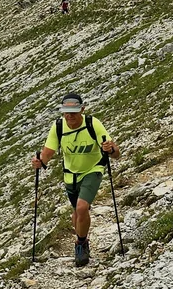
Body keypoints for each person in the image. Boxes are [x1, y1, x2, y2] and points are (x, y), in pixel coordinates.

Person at [31, 92, 118, 267]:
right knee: (77, 213)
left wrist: (110, 149)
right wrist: (40, 162)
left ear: (82, 110)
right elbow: (48, 152)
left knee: (82, 206)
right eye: (66, 112)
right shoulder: (58, 127)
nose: (69, 116)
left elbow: (116, 153)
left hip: (93, 169)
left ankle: (80, 244)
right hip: (70, 175)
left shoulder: (93, 124)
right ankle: (82, 242)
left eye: (74, 112)